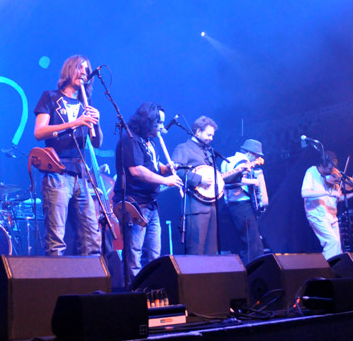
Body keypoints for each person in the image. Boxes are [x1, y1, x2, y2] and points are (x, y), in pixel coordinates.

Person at [33, 55, 102, 256]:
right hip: (57, 172)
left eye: (87, 70)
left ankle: (91, 283)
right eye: (79, 68)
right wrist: (75, 123)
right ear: (69, 69)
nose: (83, 72)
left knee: (92, 237)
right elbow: (39, 132)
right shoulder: (51, 97)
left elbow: (96, 143)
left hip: (81, 176)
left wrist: (96, 121)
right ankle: (56, 285)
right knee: (56, 239)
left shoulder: (85, 103)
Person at [114, 102, 183, 282]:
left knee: (154, 254)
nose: (161, 127)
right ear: (147, 121)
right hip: (135, 204)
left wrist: (166, 169)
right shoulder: (130, 139)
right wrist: (165, 181)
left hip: (150, 205)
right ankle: (134, 296)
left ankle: (151, 293)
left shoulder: (149, 141)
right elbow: (136, 170)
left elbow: (151, 166)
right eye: (158, 123)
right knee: (134, 255)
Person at [172, 115, 219, 255]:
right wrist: (199, 179)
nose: (211, 138)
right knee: (196, 250)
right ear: (198, 132)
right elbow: (177, 170)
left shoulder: (208, 152)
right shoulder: (183, 148)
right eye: (208, 134)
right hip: (195, 206)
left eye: (212, 135)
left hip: (211, 206)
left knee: (211, 250)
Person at [221, 139, 268, 264]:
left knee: (245, 242)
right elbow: (235, 180)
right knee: (253, 244)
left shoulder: (227, 160)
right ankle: (251, 273)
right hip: (242, 204)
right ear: (250, 153)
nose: (256, 158)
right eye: (256, 156)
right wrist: (254, 182)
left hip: (230, 205)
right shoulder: (243, 162)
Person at [301, 151, 346, 260]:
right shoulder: (311, 171)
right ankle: (327, 270)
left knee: (337, 248)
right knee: (332, 242)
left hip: (331, 216)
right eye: (330, 168)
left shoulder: (333, 177)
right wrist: (327, 192)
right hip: (317, 215)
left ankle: (335, 270)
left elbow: (339, 196)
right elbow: (304, 193)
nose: (332, 171)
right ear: (321, 165)